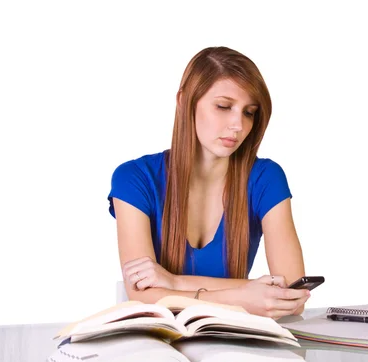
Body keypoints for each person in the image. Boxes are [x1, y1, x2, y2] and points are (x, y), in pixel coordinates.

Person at [108, 46, 310, 318]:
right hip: (156, 343)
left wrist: (175, 283)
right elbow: (143, 295)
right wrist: (246, 294)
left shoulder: (265, 178)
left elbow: (291, 295)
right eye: (224, 107)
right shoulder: (135, 178)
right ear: (184, 102)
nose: (238, 125)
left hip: (232, 341)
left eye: (249, 112)